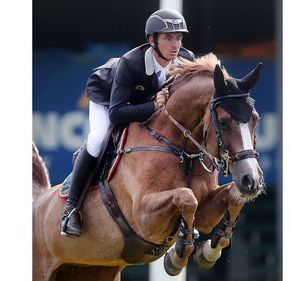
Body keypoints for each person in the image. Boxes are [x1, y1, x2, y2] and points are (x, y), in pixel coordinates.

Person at [60, 8, 195, 238]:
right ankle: (70, 210)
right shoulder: (131, 63)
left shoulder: (186, 60)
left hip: (142, 101)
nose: (175, 45)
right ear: (152, 40)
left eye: (179, 37)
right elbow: (117, 114)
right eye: (168, 38)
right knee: (99, 137)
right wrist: (152, 106)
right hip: (108, 97)